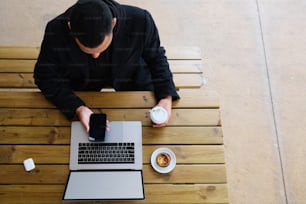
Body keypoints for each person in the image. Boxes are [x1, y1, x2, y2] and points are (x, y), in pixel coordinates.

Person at [34, 0, 180, 132]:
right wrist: (77, 108)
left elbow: (156, 57)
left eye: (100, 49)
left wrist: (166, 97)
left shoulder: (141, 21)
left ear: (113, 23)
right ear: (70, 26)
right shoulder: (55, 31)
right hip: (81, 83)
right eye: (88, 51)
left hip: (131, 74)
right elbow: (44, 76)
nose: (96, 56)